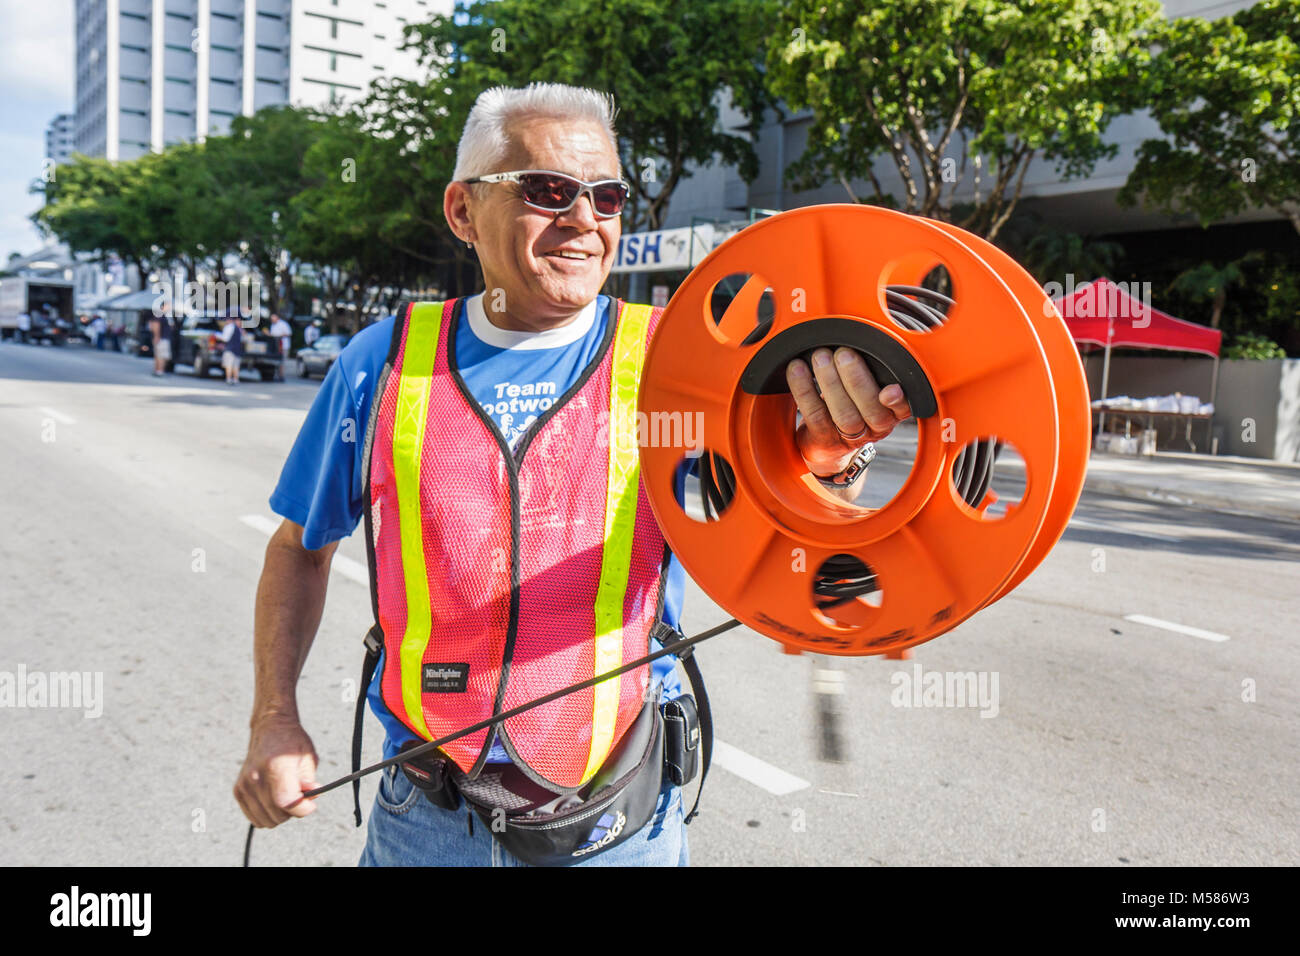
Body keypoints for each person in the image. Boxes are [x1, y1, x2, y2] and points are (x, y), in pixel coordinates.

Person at [232, 83, 912, 866]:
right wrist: (273, 718)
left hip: (619, 828)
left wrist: (835, 449)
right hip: (423, 820)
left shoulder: (680, 362)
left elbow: (794, 519)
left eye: (608, 196)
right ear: (463, 212)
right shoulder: (380, 363)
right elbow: (299, 548)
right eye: (548, 191)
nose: (584, 219)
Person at [149, 303, 172, 376]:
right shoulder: (159, 315)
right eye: (168, 306)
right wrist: (157, 336)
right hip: (162, 338)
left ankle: (157, 370)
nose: (169, 307)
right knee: (162, 356)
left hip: (162, 338)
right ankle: (159, 371)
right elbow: (155, 325)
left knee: (159, 355)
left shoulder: (162, 315)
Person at [220, 314, 244, 384]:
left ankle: (228, 379)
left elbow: (225, 339)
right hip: (237, 350)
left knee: (229, 365)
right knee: (236, 366)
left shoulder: (228, 327)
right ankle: (236, 379)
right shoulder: (240, 329)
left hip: (229, 349)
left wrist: (218, 337)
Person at [268, 312, 292, 382]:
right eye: (271, 319)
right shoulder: (273, 325)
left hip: (283, 346)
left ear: (277, 318)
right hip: (276, 346)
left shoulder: (283, 324)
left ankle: (281, 376)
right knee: (276, 361)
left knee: (282, 362)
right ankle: (276, 375)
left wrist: (279, 336)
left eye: (273, 318)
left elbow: (288, 333)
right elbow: (273, 334)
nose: (272, 320)